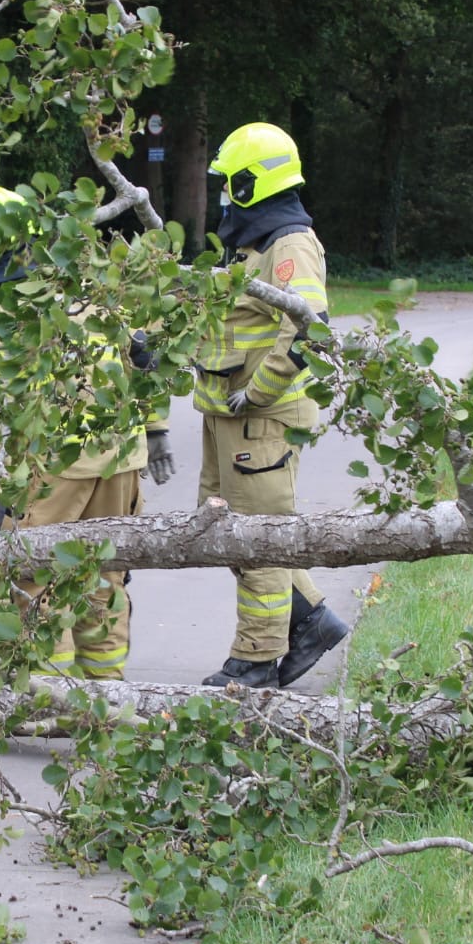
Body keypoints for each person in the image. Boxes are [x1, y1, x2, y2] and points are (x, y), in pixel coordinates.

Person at [0, 186, 174, 680]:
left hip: (52, 466)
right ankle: (104, 696)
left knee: (33, 579)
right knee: (103, 578)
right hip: (120, 459)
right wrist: (156, 430)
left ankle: (45, 698)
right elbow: (147, 359)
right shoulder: (95, 290)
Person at [192, 121, 351, 689]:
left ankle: (256, 659)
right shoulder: (253, 243)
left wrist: (257, 393)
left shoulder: (290, 244)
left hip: (260, 418)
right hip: (229, 417)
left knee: (257, 540)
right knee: (225, 531)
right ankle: (310, 620)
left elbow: (310, 330)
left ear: (252, 183)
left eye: (229, 183)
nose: (222, 195)